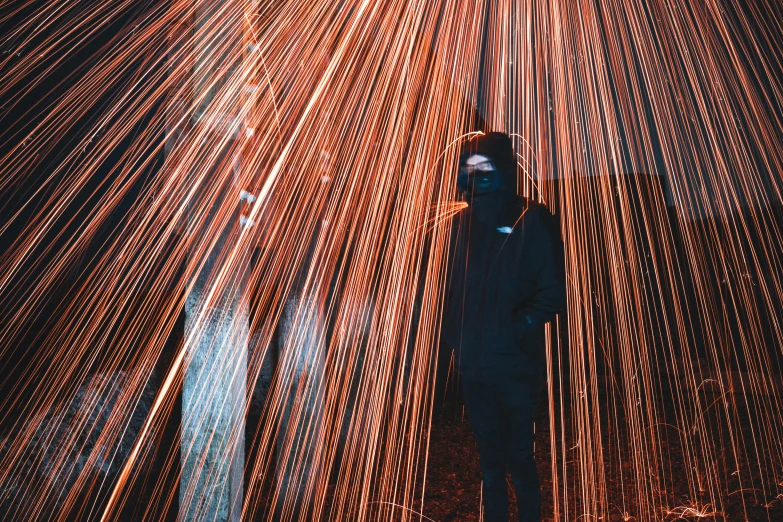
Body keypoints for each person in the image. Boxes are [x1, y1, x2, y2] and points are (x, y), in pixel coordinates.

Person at [442, 132, 566, 522]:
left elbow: (552, 292)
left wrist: (512, 329)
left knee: (519, 460)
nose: (475, 175)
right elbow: (450, 291)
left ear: (501, 170)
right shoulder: (459, 225)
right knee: (490, 464)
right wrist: (455, 343)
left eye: (483, 168)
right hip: (476, 367)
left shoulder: (532, 220)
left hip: (515, 368)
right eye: (468, 168)